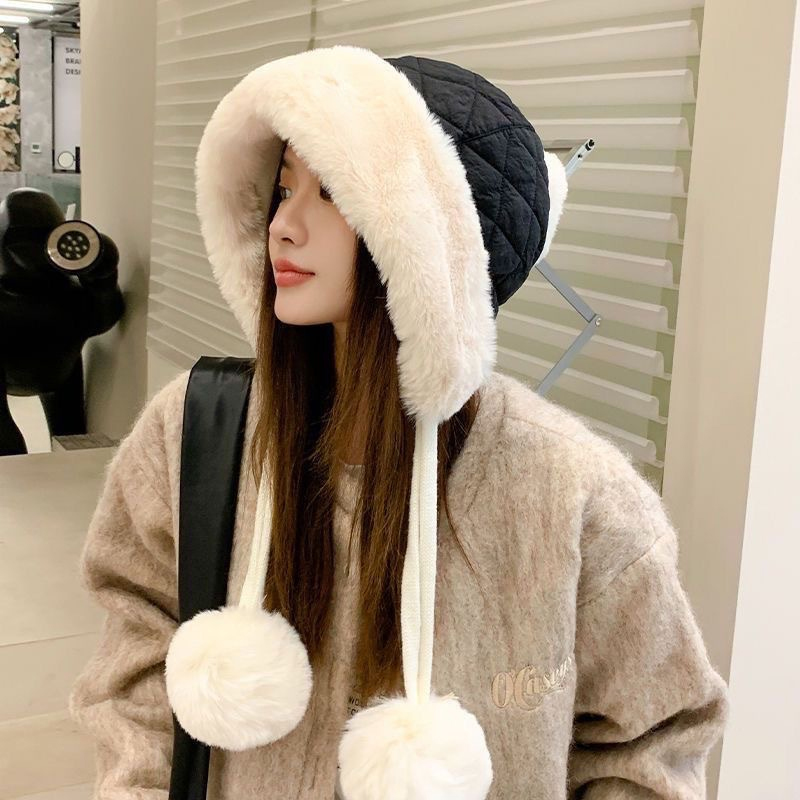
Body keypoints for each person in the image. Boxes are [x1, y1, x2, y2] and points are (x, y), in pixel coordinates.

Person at [68, 45, 730, 800]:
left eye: (332, 193)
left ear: (432, 239)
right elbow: (137, 649)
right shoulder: (194, 432)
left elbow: (651, 746)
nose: (283, 226)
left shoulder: (575, 493)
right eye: (283, 189)